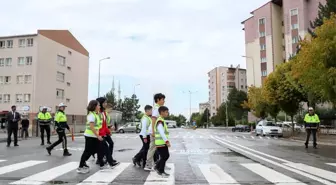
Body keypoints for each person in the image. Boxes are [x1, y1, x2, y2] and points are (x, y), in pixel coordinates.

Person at [77, 100, 104, 173]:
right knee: (87, 151)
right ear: (94, 106)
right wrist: (98, 136)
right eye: (98, 105)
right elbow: (92, 127)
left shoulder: (96, 114)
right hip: (89, 136)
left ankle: (100, 163)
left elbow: (98, 125)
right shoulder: (91, 115)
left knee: (96, 150)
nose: (99, 106)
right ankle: (80, 167)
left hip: (94, 136)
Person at [95, 97, 119, 167]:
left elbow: (105, 124)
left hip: (104, 132)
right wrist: (99, 134)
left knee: (108, 145)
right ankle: (108, 160)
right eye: (104, 103)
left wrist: (108, 131)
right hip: (99, 133)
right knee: (102, 148)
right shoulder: (98, 113)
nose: (106, 104)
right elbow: (98, 125)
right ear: (100, 103)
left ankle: (106, 159)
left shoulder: (103, 113)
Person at [144, 93, 166, 171]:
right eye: (162, 99)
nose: (164, 101)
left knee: (158, 148)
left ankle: (158, 164)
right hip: (154, 132)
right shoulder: (157, 109)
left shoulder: (158, 108)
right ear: (158, 100)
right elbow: (153, 120)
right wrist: (153, 132)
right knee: (152, 148)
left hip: (156, 131)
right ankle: (148, 165)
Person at [154, 106, 171, 177]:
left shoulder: (162, 120)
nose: (168, 113)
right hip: (161, 142)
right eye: (166, 112)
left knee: (165, 156)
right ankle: (160, 170)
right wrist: (167, 141)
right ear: (162, 112)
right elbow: (161, 132)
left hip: (162, 142)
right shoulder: (160, 121)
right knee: (165, 156)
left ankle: (157, 167)